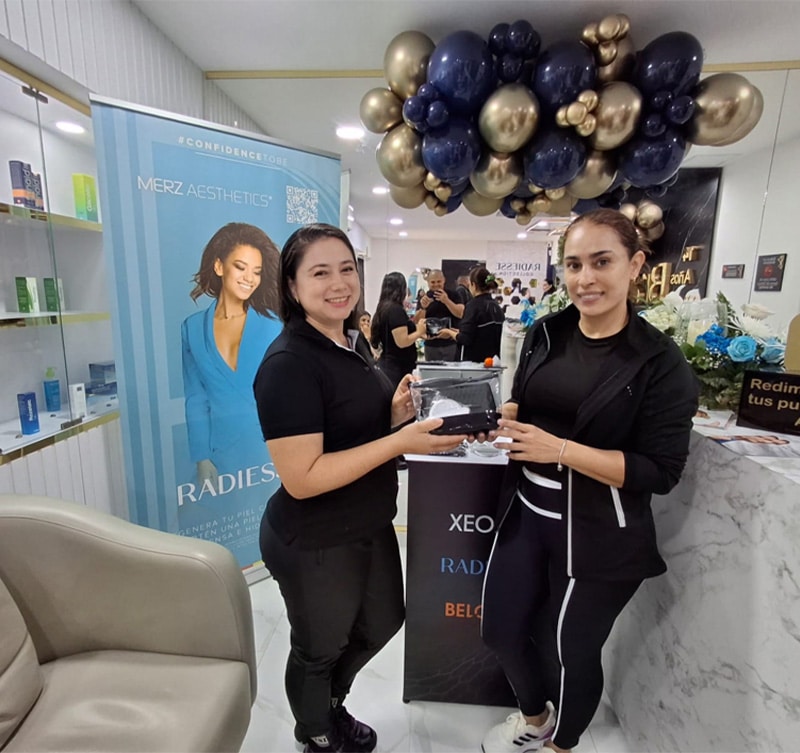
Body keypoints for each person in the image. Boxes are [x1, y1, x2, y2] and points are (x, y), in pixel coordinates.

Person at [479, 208, 699, 753]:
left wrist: (561, 451)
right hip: (526, 511)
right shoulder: (546, 332)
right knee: (499, 629)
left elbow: (661, 471)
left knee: (570, 650)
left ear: (635, 265)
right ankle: (535, 719)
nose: (585, 279)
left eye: (602, 262)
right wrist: (508, 414)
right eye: (574, 264)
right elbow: (526, 400)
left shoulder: (659, 362)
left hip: (601, 529)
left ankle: (562, 745)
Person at [252, 224, 465, 753]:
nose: (338, 283)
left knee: (383, 621)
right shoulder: (288, 363)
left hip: (366, 521)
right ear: (293, 286)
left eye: (347, 269)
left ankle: (329, 704)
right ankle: (318, 733)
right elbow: (302, 478)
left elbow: (348, 430)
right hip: (314, 537)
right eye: (320, 272)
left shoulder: (349, 341)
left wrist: (393, 414)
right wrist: (399, 442)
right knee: (320, 649)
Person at [182, 222, 282, 487]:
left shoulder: (274, 326)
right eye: (240, 267)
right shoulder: (192, 328)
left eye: (257, 272)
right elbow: (196, 398)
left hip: (271, 452)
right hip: (221, 454)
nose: (249, 278)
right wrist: (202, 457)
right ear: (219, 266)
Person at [370, 272, 426, 388]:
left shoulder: (383, 308)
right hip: (396, 368)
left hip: (390, 365)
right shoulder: (396, 310)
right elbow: (402, 341)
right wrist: (419, 332)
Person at [440, 267, 505, 362]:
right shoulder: (496, 307)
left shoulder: (473, 306)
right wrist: (459, 331)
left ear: (473, 285)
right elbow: (482, 332)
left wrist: (449, 332)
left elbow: (465, 339)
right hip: (493, 361)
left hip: (472, 362)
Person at [414, 269, 464, 361]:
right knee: (431, 370)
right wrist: (423, 308)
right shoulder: (424, 298)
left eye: (439, 281)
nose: (436, 284)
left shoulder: (454, 295)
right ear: (428, 282)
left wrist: (446, 301)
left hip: (451, 343)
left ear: (444, 280)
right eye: (433, 282)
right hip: (431, 345)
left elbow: (461, 314)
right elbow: (417, 322)